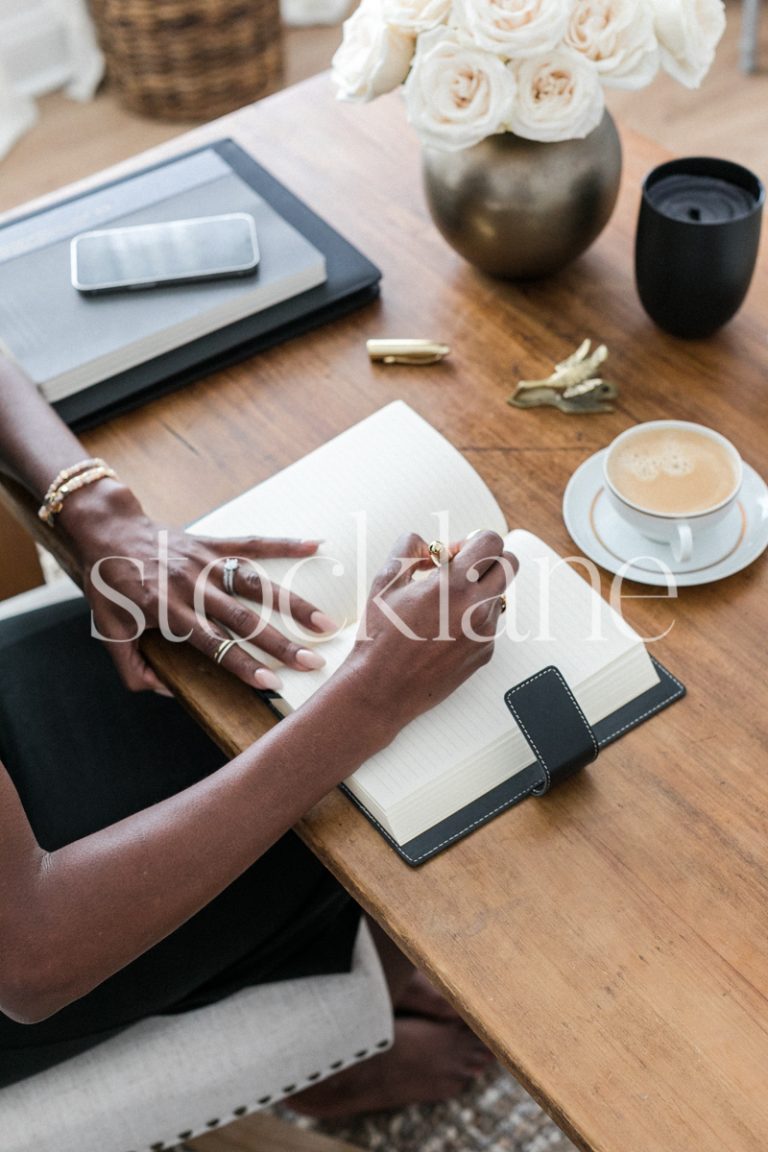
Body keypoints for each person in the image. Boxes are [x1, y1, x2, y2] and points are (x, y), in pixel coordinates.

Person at [0, 355, 515, 1108]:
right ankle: (333, 1058)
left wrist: (98, 509)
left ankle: (354, 971)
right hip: (35, 937)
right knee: (369, 815)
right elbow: (31, 959)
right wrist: (372, 697)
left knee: (229, 684)